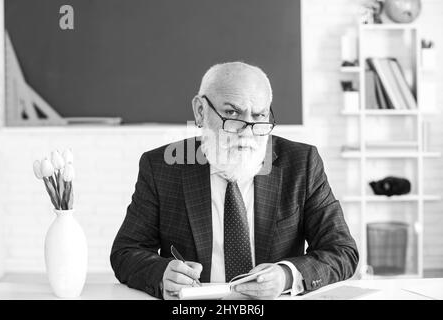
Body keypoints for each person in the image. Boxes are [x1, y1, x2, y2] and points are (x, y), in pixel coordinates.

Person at [110, 62, 359, 300]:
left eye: (259, 115)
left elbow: (342, 252)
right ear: (200, 111)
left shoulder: (302, 163)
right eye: (231, 113)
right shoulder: (162, 167)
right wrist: (161, 274)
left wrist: (286, 276)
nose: (247, 130)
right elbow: (126, 252)